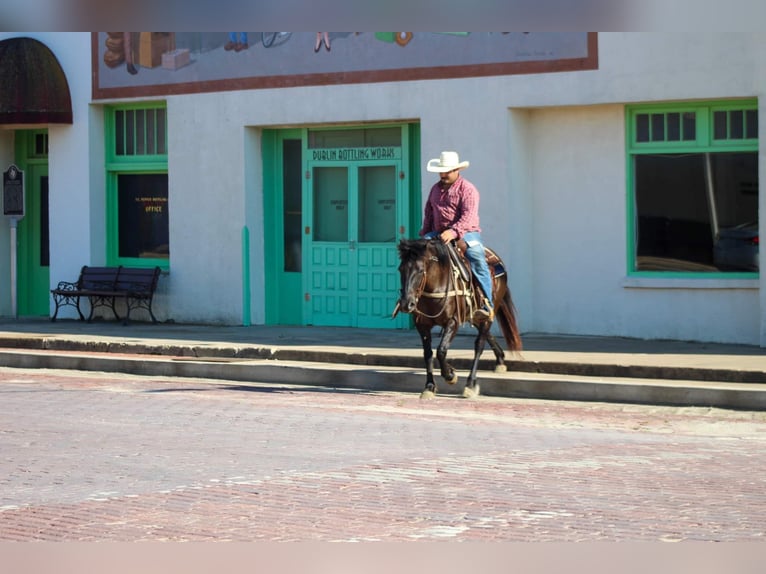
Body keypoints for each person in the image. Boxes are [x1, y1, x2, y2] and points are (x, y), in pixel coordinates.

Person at [420, 151, 494, 321]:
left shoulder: (467, 189)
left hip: (467, 233)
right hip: (438, 232)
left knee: (477, 258)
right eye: (442, 171)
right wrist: (425, 233)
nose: (444, 174)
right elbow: (429, 213)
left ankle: (486, 303)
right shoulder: (435, 189)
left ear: (456, 170)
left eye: (447, 171)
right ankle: (415, 296)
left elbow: (468, 217)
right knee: (416, 254)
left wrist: (452, 232)